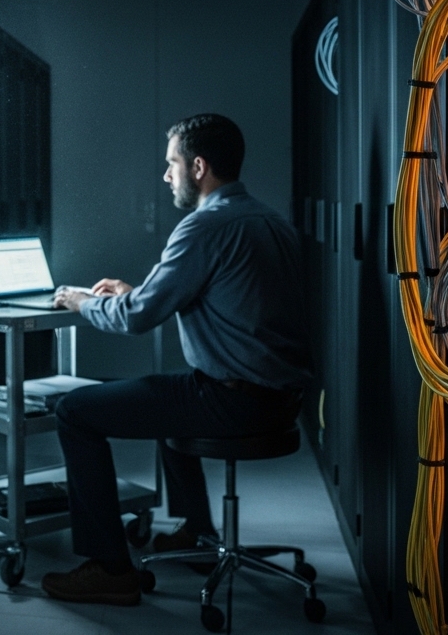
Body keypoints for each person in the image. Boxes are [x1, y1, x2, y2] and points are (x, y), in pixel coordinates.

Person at [42, 113, 311, 606]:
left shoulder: (204, 226)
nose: (166, 175)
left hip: (233, 401)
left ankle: (110, 567)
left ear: (199, 166)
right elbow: (222, 297)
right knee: (167, 395)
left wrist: (80, 301)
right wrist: (135, 291)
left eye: (172, 164)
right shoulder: (270, 221)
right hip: (281, 401)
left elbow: (138, 318)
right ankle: (195, 533)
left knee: (75, 412)